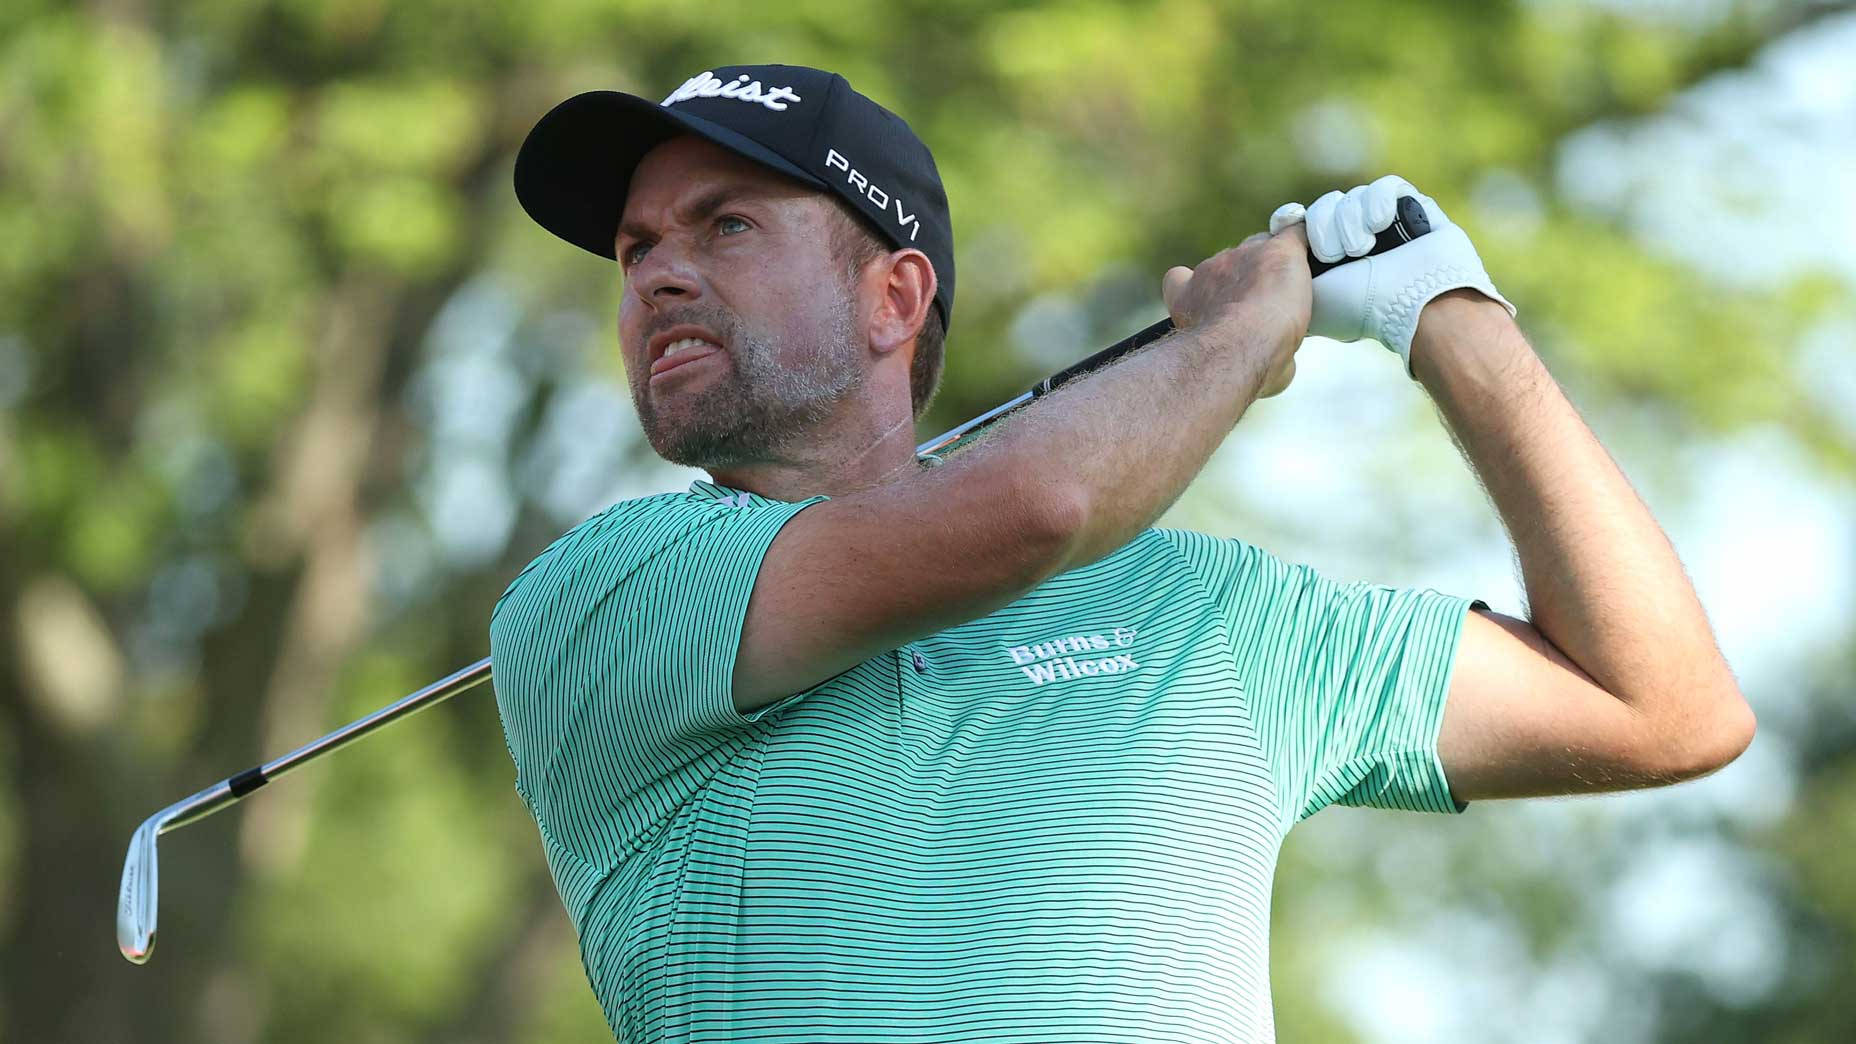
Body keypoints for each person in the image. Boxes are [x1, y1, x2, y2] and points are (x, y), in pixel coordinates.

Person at [491, 63, 1755, 1043]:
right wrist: (1237, 339)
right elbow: (1034, 507)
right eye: (636, 249)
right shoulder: (605, 592)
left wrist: (1449, 319)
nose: (655, 277)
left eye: (724, 227)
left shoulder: (1208, 612)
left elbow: (1662, 706)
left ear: (894, 299)